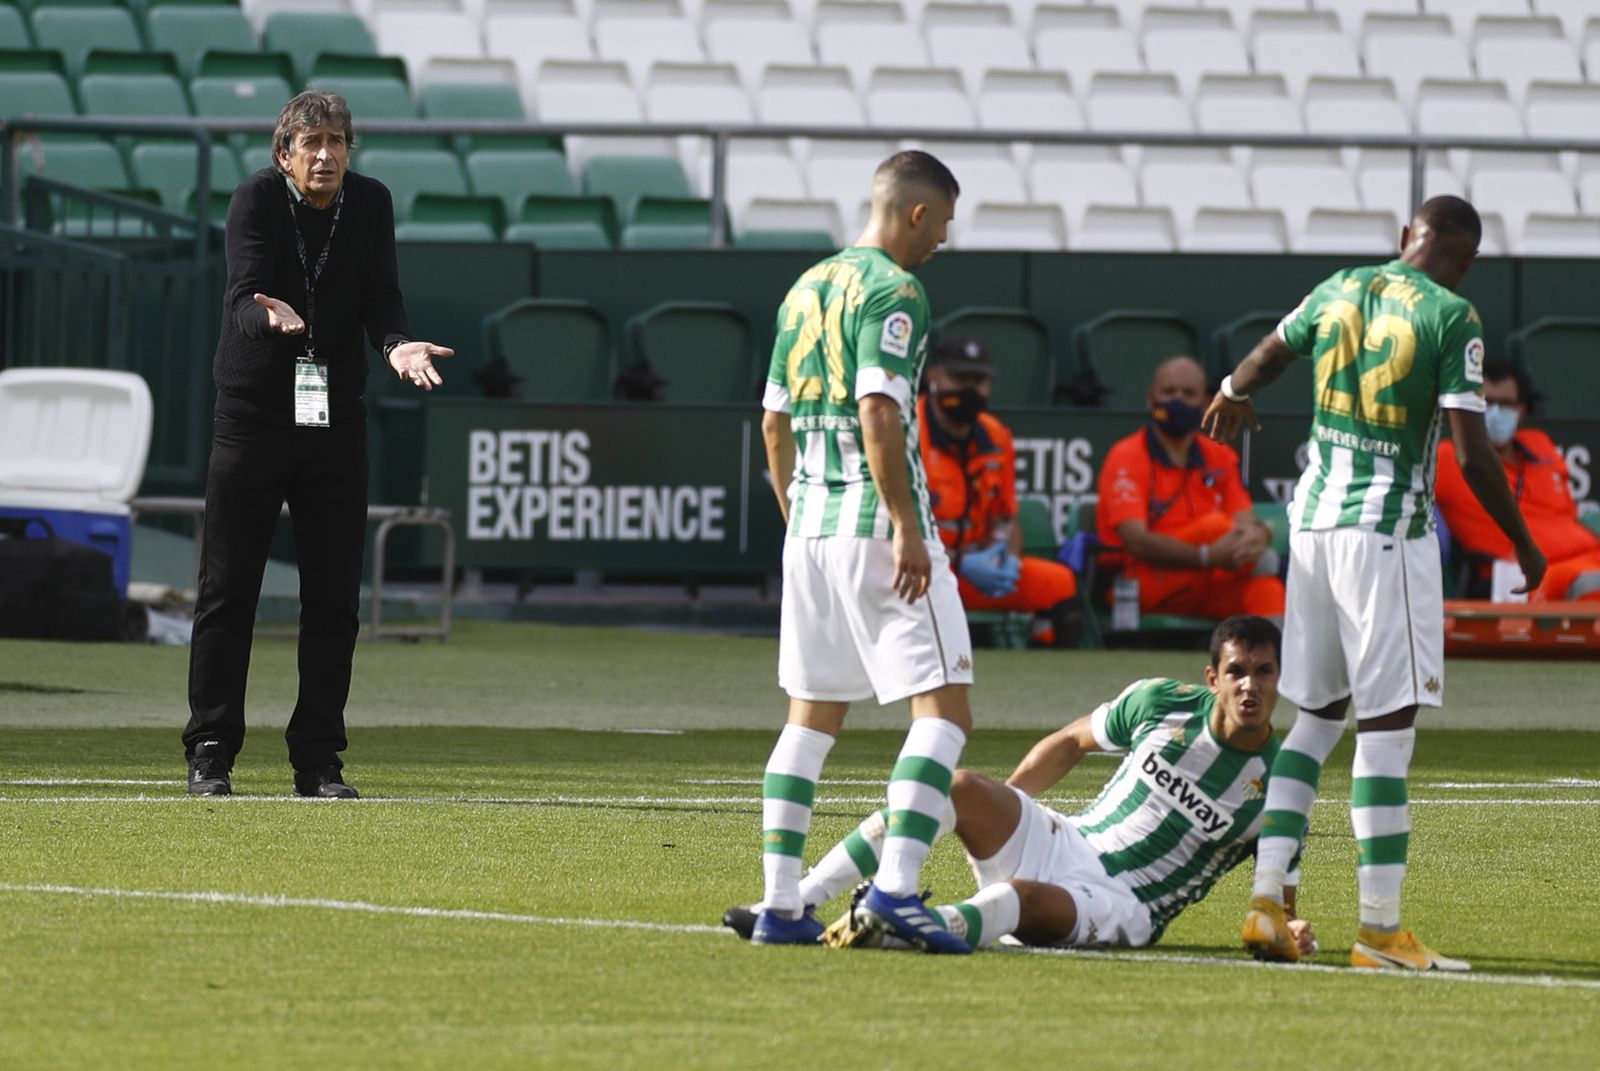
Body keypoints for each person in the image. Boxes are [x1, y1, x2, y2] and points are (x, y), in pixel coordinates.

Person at [1204, 195, 1546, 971]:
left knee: (1315, 721)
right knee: (1387, 732)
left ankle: (1264, 902)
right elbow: (1471, 449)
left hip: (1313, 528)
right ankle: (1380, 931)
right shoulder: (1452, 316)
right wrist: (1520, 540)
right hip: (1385, 536)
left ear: (1405, 239)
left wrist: (1231, 389)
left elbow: (1265, 353)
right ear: (1468, 260)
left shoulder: (1339, 287)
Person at [725, 616, 1318, 959]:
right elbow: (1068, 742)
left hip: (1127, 905)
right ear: (1213, 677)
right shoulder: (1159, 702)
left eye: (1264, 672)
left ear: (1279, 680)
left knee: (1022, 898)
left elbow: (1276, 901)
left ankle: (900, 934)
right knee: (955, 788)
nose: (1250, 686)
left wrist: (1290, 927)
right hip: (1067, 840)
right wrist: (1009, 810)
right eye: (1237, 671)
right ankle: (797, 902)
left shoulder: (1285, 785)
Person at [183, 91, 454, 799]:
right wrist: (260, 312)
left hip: (335, 418)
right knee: (227, 590)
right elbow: (243, 294)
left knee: (334, 597)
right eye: (311, 143)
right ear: (285, 154)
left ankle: (318, 760)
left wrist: (395, 344)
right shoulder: (254, 200)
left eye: (336, 141)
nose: (325, 154)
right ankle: (211, 749)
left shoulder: (370, 203)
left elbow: (381, 299)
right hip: (251, 417)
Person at [753, 150, 972, 953]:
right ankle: (898, 889)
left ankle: (780, 903)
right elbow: (880, 410)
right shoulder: (894, 288)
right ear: (917, 214)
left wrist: (794, 517)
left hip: (809, 528)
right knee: (945, 708)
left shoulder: (806, 286)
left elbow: (772, 423)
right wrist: (906, 527)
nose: (942, 242)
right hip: (875, 529)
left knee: (811, 717)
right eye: (942, 225)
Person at [1096, 355, 1284, 622]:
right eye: (1169, 392)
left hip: (1215, 578)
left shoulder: (1219, 455)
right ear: (1151, 399)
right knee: (1216, 527)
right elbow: (1136, 541)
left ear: (1206, 402)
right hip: (1150, 580)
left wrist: (1261, 536)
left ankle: (1275, 662)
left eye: (1189, 393)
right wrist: (1205, 556)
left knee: (1268, 590)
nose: (1178, 401)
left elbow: (1246, 525)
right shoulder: (1126, 455)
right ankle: (1280, 566)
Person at [920, 335, 1081, 647]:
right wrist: (956, 559)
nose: (969, 390)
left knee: (1058, 582)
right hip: (920, 570)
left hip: (974, 572)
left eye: (978, 380)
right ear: (934, 377)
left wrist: (1005, 557)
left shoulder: (995, 435)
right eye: (959, 378)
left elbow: (1008, 519)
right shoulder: (907, 431)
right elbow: (890, 528)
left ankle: (1050, 676)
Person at [1435, 357, 1600, 602]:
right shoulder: (1448, 458)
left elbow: (1568, 516)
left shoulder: (1540, 444)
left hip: (1590, 558)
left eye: (1506, 404)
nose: (1495, 412)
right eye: (1486, 402)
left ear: (1522, 410)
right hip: (1536, 579)